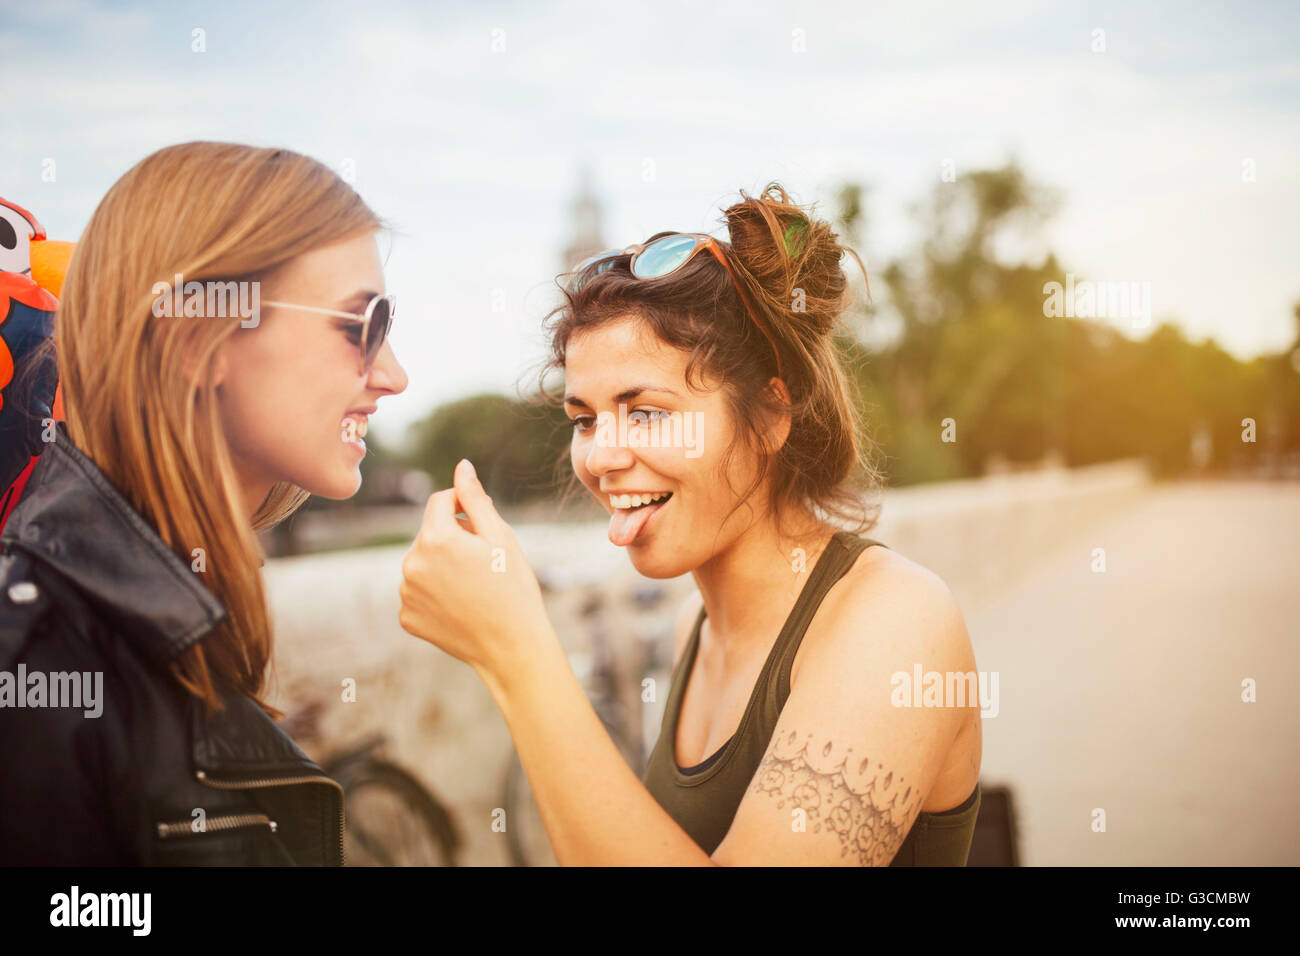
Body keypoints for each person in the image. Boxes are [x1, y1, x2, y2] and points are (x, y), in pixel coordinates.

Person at [398, 183, 982, 865]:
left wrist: (517, 654)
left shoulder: (896, 619)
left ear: (768, 416)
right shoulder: (690, 631)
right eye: (584, 419)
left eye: (646, 411)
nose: (601, 457)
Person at [0, 142, 408, 864]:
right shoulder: (33, 670)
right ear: (197, 337)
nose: (394, 375)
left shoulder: (110, 628)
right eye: (361, 324)